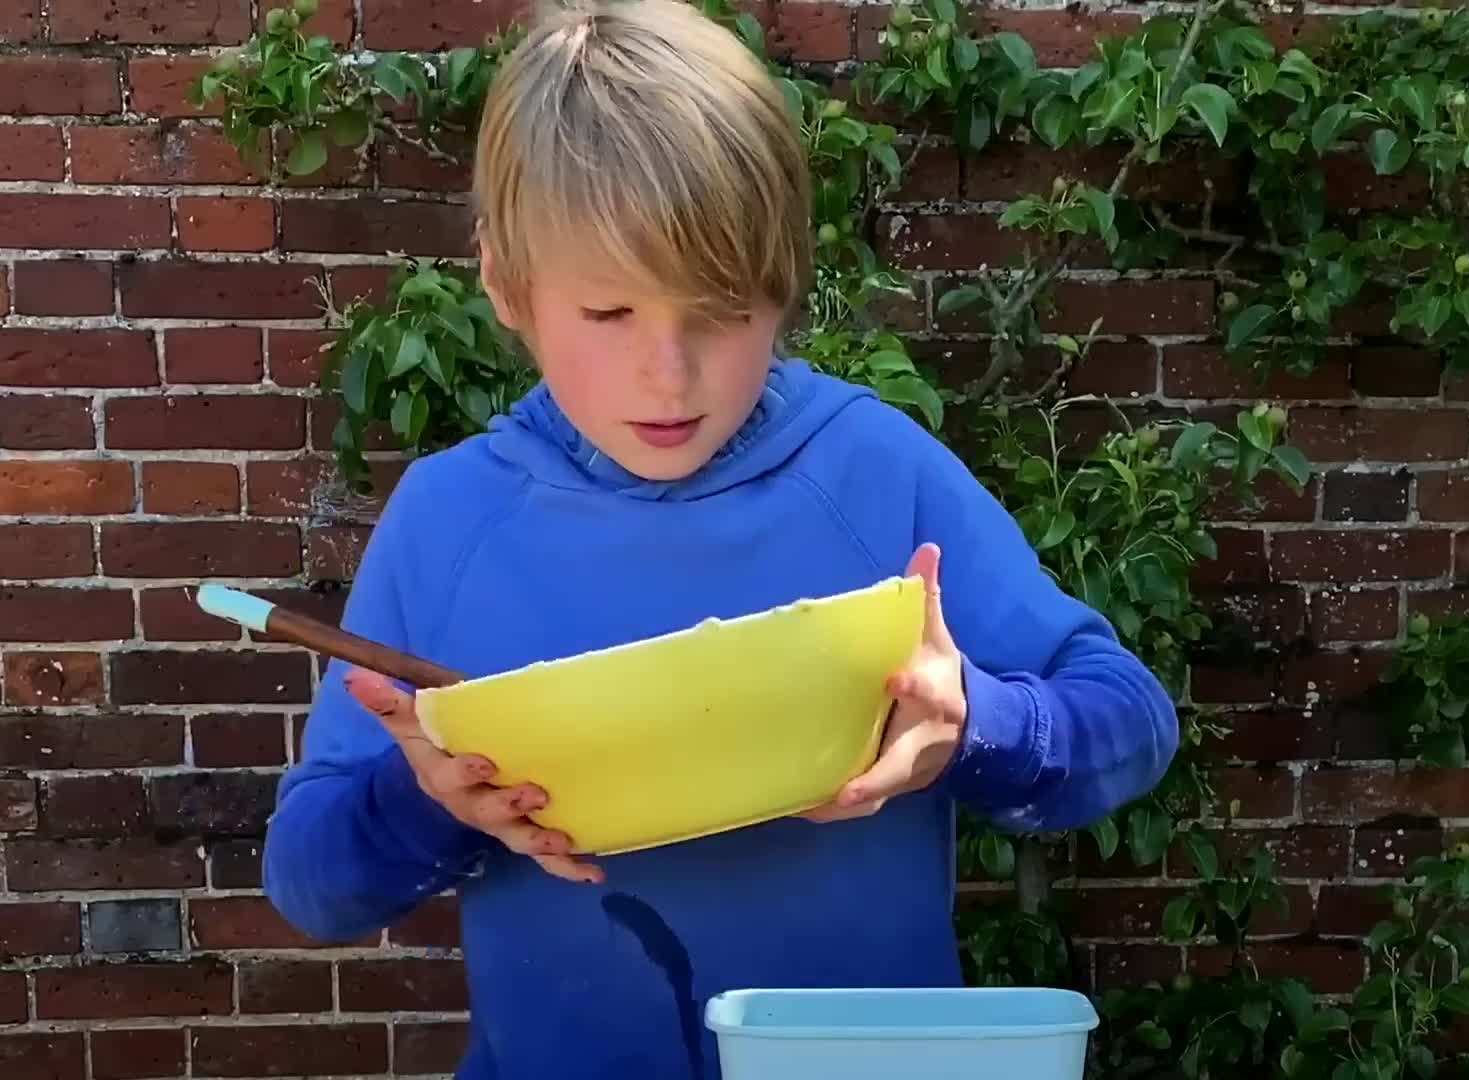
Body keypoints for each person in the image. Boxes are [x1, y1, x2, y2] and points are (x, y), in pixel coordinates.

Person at [260, 1, 1178, 1076]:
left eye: (722, 309)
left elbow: (1128, 722)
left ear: (784, 285)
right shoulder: (448, 520)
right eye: (610, 314)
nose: (670, 373)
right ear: (507, 286)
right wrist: (428, 802)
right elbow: (309, 883)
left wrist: (978, 723)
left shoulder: (876, 473)